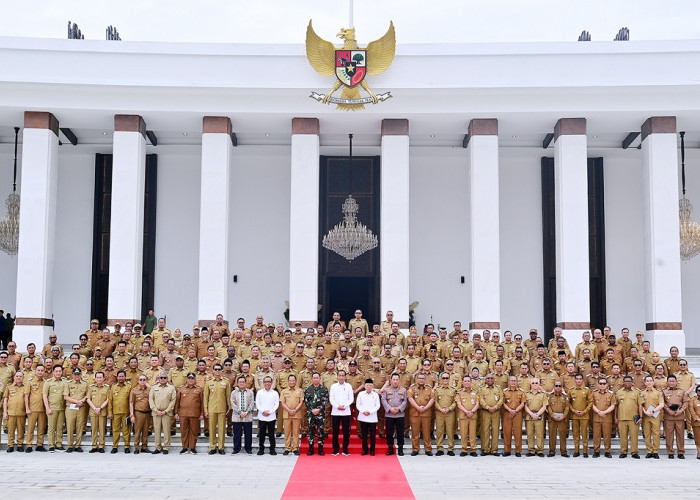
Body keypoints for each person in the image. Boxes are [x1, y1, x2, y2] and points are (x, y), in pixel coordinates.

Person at [204, 363, 231, 455]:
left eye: (219, 369)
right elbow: (206, 397)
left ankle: (221, 447)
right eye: (215, 369)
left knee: (222, 429)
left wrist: (229, 408)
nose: (217, 371)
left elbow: (228, 396)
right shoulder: (209, 382)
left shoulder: (226, 382)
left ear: (221, 371)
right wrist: (205, 410)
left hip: (222, 409)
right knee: (211, 429)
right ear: (212, 370)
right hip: (211, 409)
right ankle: (212, 447)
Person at [175, 373, 204, 454]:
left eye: (192, 378)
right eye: (189, 378)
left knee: (194, 431)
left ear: (195, 380)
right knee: (184, 431)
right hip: (183, 414)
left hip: (195, 414)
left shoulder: (199, 389)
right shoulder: (181, 389)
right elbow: (177, 402)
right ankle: (184, 447)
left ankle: (192, 447)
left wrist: (202, 413)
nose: (190, 380)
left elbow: (202, 403)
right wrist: (176, 412)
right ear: (186, 380)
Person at [149, 371, 177, 454]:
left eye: (165, 378)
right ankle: (158, 447)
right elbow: (151, 400)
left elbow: (173, 401)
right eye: (161, 378)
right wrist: (155, 410)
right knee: (157, 431)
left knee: (167, 430)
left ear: (167, 379)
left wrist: (166, 411)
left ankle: (166, 447)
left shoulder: (171, 388)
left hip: (167, 413)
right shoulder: (154, 388)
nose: (163, 379)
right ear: (158, 379)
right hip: (156, 413)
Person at [407, 372, 434, 456]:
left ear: (425, 380)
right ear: (416, 379)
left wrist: (425, 408)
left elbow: (432, 399)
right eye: (420, 378)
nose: (421, 380)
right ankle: (415, 449)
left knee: (426, 433)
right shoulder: (412, 388)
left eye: (423, 378)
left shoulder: (429, 388)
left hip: (426, 414)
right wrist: (418, 408)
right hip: (415, 413)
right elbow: (410, 398)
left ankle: (428, 449)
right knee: (415, 433)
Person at [662, 374, 688, 459]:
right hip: (668, 417)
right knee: (669, 435)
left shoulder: (682, 391)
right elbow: (662, 403)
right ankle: (670, 452)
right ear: (667, 382)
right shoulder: (664, 391)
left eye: (673, 381)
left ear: (676, 382)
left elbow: (685, 402)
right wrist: (668, 410)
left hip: (679, 416)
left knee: (680, 435)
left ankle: (681, 452)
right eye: (670, 381)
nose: (672, 383)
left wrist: (681, 410)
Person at [382, 373, 408, 456]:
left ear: (399, 380)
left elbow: (405, 401)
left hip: (399, 415)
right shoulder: (386, 390)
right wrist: (390, 409)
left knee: (400, 433)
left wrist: (399, 408)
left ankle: (400, 449)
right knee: (389, 433)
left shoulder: (403, 390)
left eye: (397, 380)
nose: (395, 381)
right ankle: (390, 448)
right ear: (390, 380)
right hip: (389, 415)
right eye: (394, 379)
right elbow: (383, 400)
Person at [615, 375, 641, 459]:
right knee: (623, 436)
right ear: (623, 382)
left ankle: (634, 452)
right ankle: (623, 451)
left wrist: (641, 417)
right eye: (626, 381)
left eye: (629, 381)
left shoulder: (637, 392)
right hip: (621, 418)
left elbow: (640, 405)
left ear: (632, 382)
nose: (627, 383)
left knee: (634, 436)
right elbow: (616, 406)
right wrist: (615, 417)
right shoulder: (618, 392)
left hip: (634, 418)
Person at [304, 372, 329, 456]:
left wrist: (318, 409)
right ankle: (310, 449)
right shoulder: (308, 389)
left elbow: (325, 401)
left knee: (320, 432)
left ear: (320, 379)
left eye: (317, 378)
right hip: (311, 414)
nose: (315, 379)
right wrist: (312, 410)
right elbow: (306, 401)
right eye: (314, 378)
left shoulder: (324, 389)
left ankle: (320, 449)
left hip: (320, 414)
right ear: (311, 379)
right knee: (311, 432)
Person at [64, 368, 88, 453]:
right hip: (70, 407)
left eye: (78, 374)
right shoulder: (68, 383)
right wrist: (77, 401)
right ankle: (70, 445)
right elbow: (66, 396)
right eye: (75, 374)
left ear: (81, 375)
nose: (77, 376)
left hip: (81, 408)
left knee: (80, 427)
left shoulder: (85, 384)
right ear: (72, 375)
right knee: (70, 427)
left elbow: (87, 395)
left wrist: (81, 401)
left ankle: (78, 445)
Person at [478, 373, 503, 456]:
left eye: (492, 378)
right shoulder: (482, 389)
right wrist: (487, 407)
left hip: (496, 412)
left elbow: (501, 399)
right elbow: (480, 399)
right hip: (485, 412)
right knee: (485, 430)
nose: (490, 380)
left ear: (494, 379)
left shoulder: (498, 389)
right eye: (488, 378)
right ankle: (485, 449)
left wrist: (495, 407)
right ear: (485, 380)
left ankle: (494, 450)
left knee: (495, 430)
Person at [329, 369, 353, 456]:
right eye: (340, 375)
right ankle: (335, 449)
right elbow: (331, 399)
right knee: (335, 431)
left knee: (346, 431)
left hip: (346, 412)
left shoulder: (349, 386)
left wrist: (345, 406)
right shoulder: (333, 386)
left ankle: (345, 449)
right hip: (335, 411)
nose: (341, 377)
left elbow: (351, 399)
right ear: (337, 376)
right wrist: (337, 406)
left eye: (343, 375)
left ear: (345, 377)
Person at [42, 364, 66, 451]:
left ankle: (59, 444)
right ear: (53, 372)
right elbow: (45, 396)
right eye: (56, 371)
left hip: (62, 408)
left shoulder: (65, 382)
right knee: (51, 427)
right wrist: (47, 408)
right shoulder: (48, 382)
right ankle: (51, 444)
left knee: (60, 427)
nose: (58, 373)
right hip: (52, 408)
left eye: (60, 371)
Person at [24, 363, 47, 452]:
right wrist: (27, 408)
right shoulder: (30, 382)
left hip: (42, 409)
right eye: (38, 370)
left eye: (42, 370)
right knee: (30, 428)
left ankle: (39, 445)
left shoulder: (46, 382)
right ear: (35, 371)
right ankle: (29, 445)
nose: (40, 372)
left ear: (44, 371)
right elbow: (26, 395)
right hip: (32, 409)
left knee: (41, 428)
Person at [640, 374, 664, 459]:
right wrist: (645, 412)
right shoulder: (642, 393)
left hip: (655, 415)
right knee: (647, 433)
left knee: (656, 433)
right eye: (647, 381)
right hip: (646, 416)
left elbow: (661, 404)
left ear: (653, 382)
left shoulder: (658, 393)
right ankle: (649, 451)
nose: (649, 382)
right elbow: (640, 405)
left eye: (650, 381)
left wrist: (653, 411)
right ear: (645, 382)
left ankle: (656, 451)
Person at [434, 371, 457, 456]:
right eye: (443, 378)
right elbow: (435, 401)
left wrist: (449, 409)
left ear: (449, 379)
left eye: (447, 378)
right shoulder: (437, 389)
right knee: (439, 431)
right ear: (440, 379)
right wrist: (440, 409)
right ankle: (440, 448)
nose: (445, 379)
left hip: (449, 413)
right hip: (439, 413)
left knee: (450, 431)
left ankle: (450, 448)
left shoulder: (453, 390)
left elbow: (455, 401)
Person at [502, 375, 526, 457]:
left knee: (518, 432)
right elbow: (503, 403)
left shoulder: (521, 392)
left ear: (517, 382)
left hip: (517, 413)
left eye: (514, 381)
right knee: (507, 432)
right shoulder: (504, 392)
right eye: (511, 380)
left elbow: (522, 403)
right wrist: (510, 410)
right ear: (508, 382)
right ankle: (507, 450)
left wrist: (515, 411)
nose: (513, 382)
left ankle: (518, 450)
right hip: (507, 413)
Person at [280, 374, 304, 456]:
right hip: (287, 414)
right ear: (288, 381)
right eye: (290, 380)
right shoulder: (283, 391)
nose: (292, 382)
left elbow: (301, 402)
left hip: (297, 414)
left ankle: (295, 448)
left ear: (296, 381)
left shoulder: (300, 391)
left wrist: (295, 410)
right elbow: (282, 403)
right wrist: (289, 410)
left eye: (293, 380)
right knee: (287, 432)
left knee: (296, 432)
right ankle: (287, 448)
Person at [230, 376, 254, 455]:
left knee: (248, 434)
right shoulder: (234, 392)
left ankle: (248, 449)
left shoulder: (250, 392)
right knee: (237, 434)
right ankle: (236, 449)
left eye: (243, 382)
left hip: (247, 416)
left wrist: (246, 412)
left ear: (245, 383)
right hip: (237, 416)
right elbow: (233, 403)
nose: (241, 383)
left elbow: (251, 403)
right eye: (240, 382)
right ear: (237, 383)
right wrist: (240, 412)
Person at [592, 378, 615, 458]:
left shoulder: (611, 394)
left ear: (607, 385)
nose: (602, 385)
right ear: (598, 384)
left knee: (607, 435)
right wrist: (598, 412)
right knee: (596, 435)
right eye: (600, 383)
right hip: (596, 417)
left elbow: (612, 405)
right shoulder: (594, 394)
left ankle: (607, 451)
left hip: (607, 418)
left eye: (604, 383)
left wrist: (604, 412)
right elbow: (592, 404)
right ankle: (596, 450)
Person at [255, 375, 279, 455]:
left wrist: (270, 412)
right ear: (263, 383)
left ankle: (272, 449)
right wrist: (263, 411)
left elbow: (276, 404)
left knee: (271, 434)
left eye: (269, 381)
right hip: (262, 416)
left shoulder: (275, 393)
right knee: (261, 434)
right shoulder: (259, 392)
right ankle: (261, 449)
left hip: (271, 416)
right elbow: (258, 404)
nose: (267, 383)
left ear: (271, 383)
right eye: (266, 382)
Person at [87, 371, 110, 453]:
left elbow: (108, 399)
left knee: (102, 429)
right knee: (94, 429)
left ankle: (101, 446)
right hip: (93, 411)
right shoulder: (91, 387)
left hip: (102, 411)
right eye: (97, 377)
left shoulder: (107, 387)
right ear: (95, 378)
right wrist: (94, 408)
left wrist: (100, 408)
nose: (99, 379)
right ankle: (94, 446)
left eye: (100, 377)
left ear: (104, 378)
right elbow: (88, 399)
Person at [4, 371, 26, 452]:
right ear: (14, 377)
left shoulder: (26, 387)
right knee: (10, 430)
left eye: (20, 376)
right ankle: (10, 445)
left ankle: (20, 444)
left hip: (21, 412)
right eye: (17, 376)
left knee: (21, 429)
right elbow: (5, 400)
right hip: (11, 412)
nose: (18, 378)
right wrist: (5, 412)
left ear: (23, 378)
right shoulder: (9, 387)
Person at [357, 378, 380, 455]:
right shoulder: (361, 394)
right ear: (365, 386)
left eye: (370, 385)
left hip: (372, 417)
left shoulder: (375, 395)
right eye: (367, 385)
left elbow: (377, 406)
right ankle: (365, 450)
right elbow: (358, 405)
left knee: (373, 435)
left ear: (372, 386)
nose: (369, 386)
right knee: (364, 435)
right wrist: (363, 411)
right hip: (363, 417)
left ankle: (372, 450)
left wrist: (370, 412)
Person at [525, 377, 547, 457]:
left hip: (539, 416)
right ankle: (531, 450)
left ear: (539, 384)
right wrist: (531, 414)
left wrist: (537, 414)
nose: (535, 384)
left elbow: (544, 406)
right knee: (530, 434)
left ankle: (540, 450)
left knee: (539, 434)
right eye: (533, 383)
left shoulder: (543, 394)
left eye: (536, 383)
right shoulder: (526, 394)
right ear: (531, 384)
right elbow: (525, 406)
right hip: (529, 416)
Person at [129, 375, 152, 454]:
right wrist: (132, 415)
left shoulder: (150, 390)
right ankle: (136, 447)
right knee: (138, 431)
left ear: (146, 381)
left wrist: (148, 385)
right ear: (138, 381)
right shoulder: (134, 390)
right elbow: (131, 403)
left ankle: (144, 447)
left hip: (148, 413)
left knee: (146, 431)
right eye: (141, 380)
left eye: (144, 380)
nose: (142, 381)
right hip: (138, 412)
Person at [547, 381, 570, 457]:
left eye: (559, 386)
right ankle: (551, 451)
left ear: (562, 387)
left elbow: (567, 407)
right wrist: (553, 416)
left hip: (562, 418)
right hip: (552, 418)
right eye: (556, 386)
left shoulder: (565, 396)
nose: (558, 387)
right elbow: (548, 406)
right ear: (553, 387)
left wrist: (563, 416)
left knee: (562, 436)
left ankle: (563, 452)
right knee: (552, 435)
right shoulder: (550, 396)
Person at [688, 384, 700, 459]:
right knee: (698, 438)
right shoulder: (692, 399)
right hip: (696, 422)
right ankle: (699, 452)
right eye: (699, 390)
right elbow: (691, 410)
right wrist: (697, 418)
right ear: (696, 391)